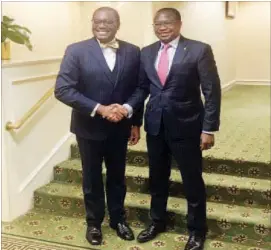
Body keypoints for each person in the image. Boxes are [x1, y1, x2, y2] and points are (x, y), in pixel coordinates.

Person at [124, 8, 221, 250]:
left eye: (167, 22)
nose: (162, 27)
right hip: (155, 126)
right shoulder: (146, 53)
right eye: (158, 23)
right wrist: (135, 122)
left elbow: (212, 91)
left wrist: (208, 128)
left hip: (187, 125)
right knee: (157, 178)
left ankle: (197, 231)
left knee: (191, 180)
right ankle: (157, 222)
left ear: (179, 23)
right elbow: (141, 89)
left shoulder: (199, 50)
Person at [54, 7, 143, 246]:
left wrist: (132, 117)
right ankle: (94, 223)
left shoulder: (133, 52)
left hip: (120, 127)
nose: (102, 25)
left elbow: (140, 88)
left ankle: (118, 220)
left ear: (118, 24)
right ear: (92, 23)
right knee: (92, 178)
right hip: (88, 127)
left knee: (117, 176)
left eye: (108, 21)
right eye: (98, 21)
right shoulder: (76, 51)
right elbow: (63, 89)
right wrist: (100, 109)